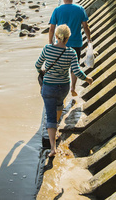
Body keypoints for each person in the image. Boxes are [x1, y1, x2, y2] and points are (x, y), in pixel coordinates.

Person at [36, 24, 93, 157]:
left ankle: (52, 148)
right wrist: (87, 79)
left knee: (49, 116)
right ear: (68, 38)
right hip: (63, 87)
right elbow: (77, 71)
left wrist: (41, 71)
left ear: (56, 36)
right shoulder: (71, 52)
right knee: (59, 105)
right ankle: (55, 127)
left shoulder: (47, 49)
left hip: (49, 87)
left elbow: (37, 65)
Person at [48, 0, 92, 97]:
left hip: (61, 44)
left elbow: (52, 29)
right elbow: (85, 26)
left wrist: (50, 43)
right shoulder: (80, 9)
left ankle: (61, 89)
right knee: (75, 66)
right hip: (76, 43)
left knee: (61, 66)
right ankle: (73, 87)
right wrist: (89, 39)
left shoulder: (57, 10)